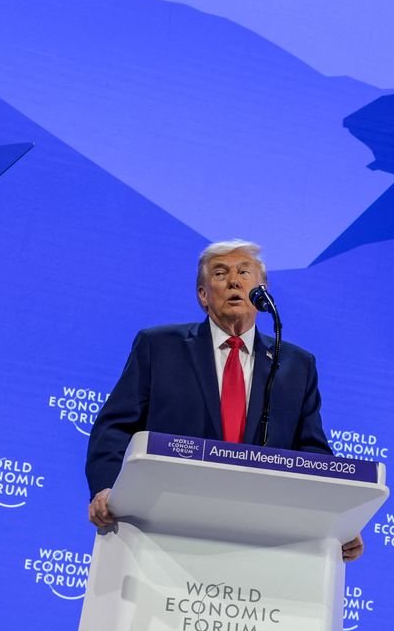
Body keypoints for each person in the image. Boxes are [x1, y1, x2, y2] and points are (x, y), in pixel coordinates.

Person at [85, 239, 364, 561]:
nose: (234, 281)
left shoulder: (296, 365)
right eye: (220, 273)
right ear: (203, 295)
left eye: (244, 272)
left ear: (263, 293)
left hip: (259, 538)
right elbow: (115, 427)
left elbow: (311, 451)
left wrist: (336, 523)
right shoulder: (159, 346)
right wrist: (108, 489)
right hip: (164, 528)